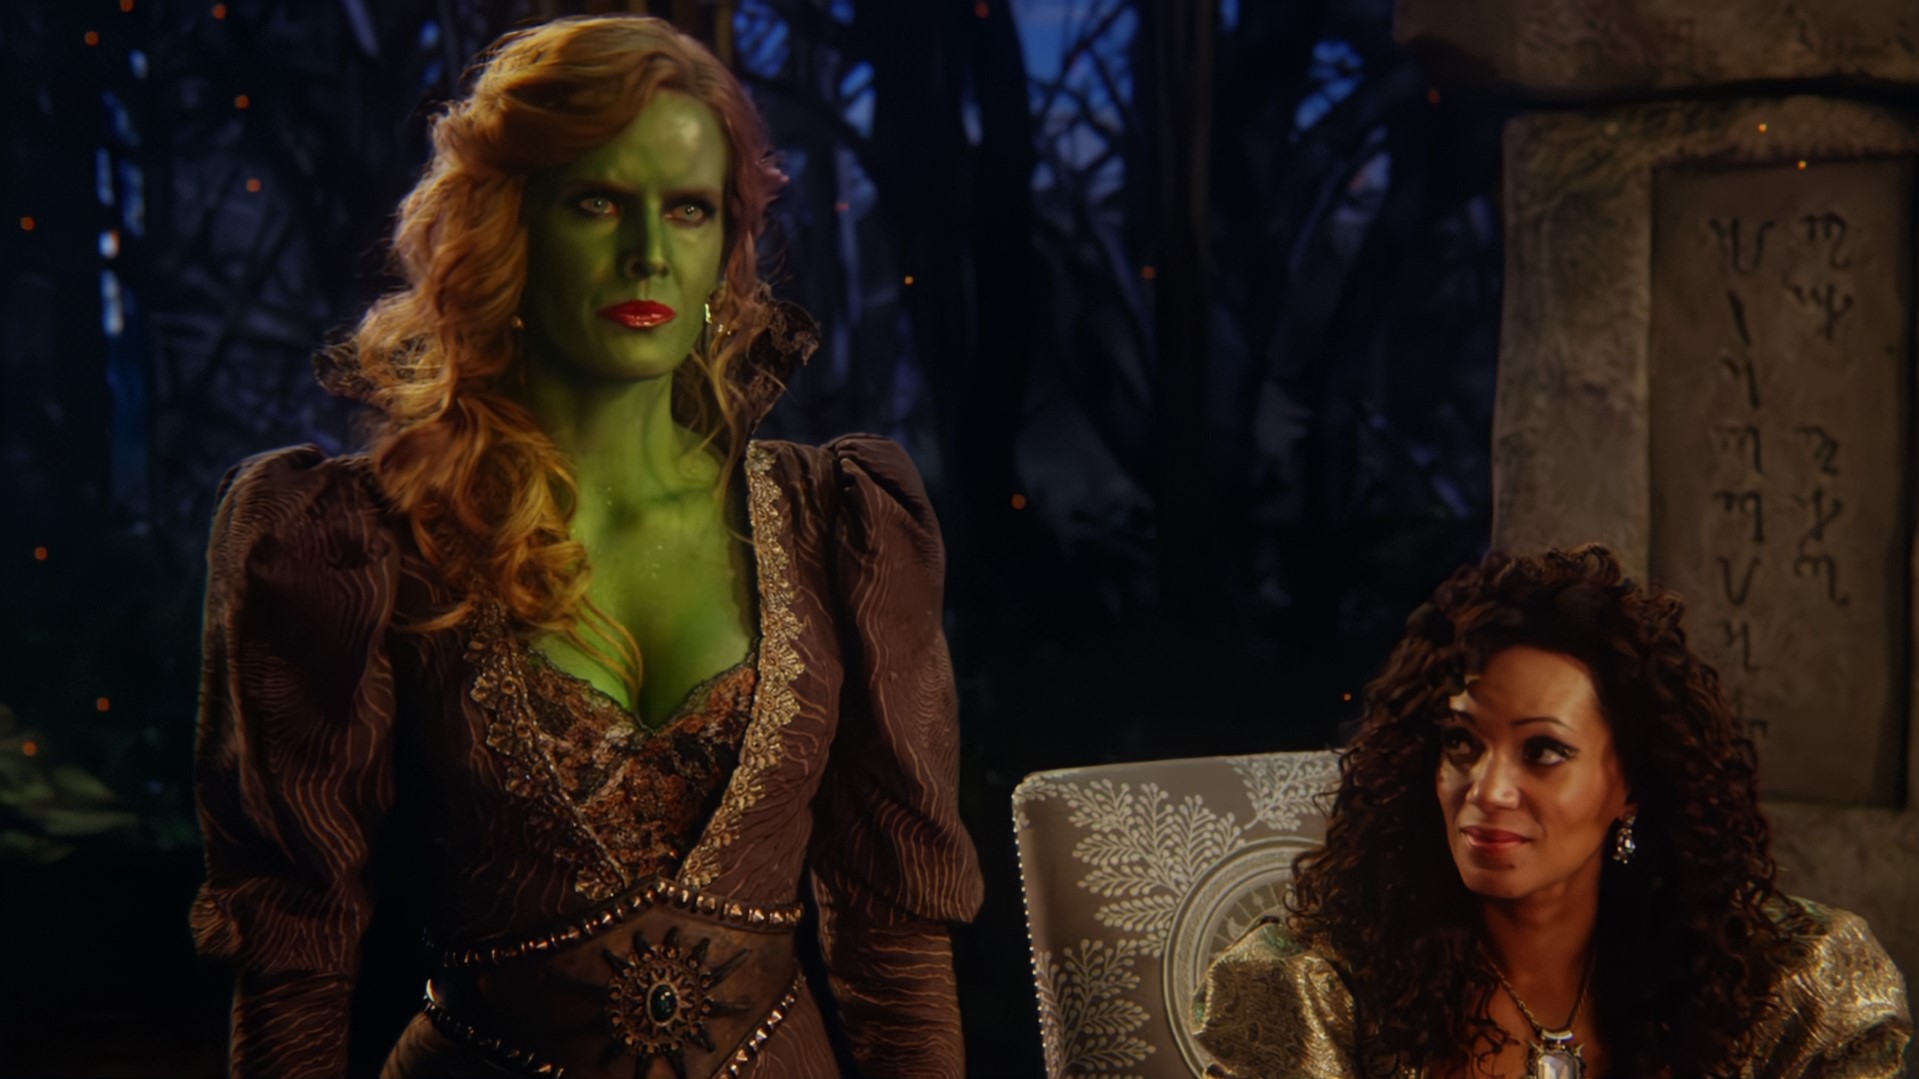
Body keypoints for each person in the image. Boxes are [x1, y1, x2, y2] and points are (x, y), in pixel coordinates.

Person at [190, 15, 981, 1078]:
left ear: (726, 244)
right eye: (598, 201)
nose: (648, 251)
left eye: (688, 208)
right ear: (507, 225)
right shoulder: (354, 539)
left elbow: (895, 942)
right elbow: (295, 954)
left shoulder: (835, 520)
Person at [1193, 545, 1910, 1078]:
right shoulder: (1317, 990)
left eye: (1542, 751)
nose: (1488, 790)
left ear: (1630, 784)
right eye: (1461, 743)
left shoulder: (1787, 986)